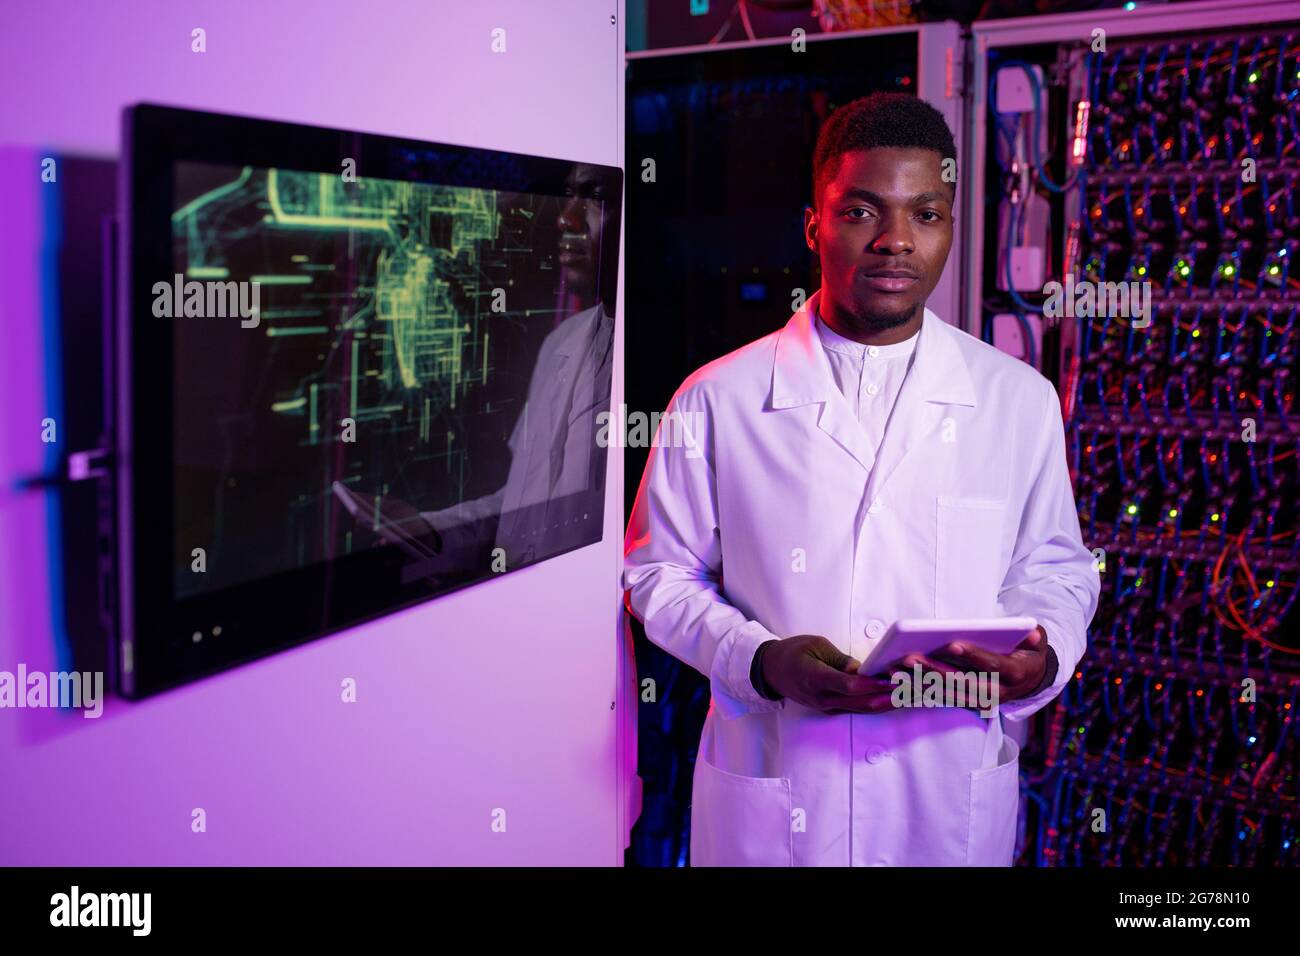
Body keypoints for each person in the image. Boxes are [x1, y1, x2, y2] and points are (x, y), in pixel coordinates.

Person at [622, 92, 1100, 866]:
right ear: (815, 226)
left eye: (927, 214)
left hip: (945, 800)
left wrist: (1040, 661)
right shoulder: (717, 398)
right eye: (861, 212)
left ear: (951, 225)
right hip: (781, 796)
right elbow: (656, 575)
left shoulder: (1016, 400)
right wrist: (760, 660)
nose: (895, 243)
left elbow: (1055, 569)